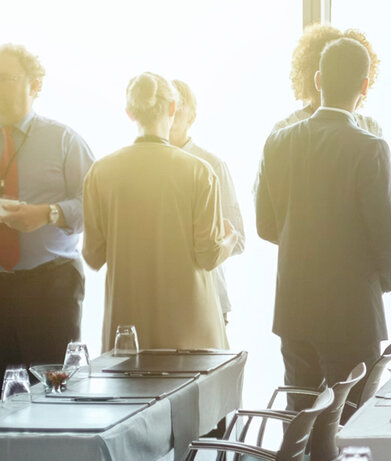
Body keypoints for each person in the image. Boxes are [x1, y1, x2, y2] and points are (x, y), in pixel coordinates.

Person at [256, 38, 391, 408]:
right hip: (353, 309)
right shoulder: (370, 147)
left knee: (300, 418)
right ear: (364, 86)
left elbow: (265, 225)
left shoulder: (278, 142)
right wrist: (387, 280)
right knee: (352, 418)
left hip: (295, 305)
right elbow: (385, 231)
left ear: (319, 80)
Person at [82, 72, 238, 350]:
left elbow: (93, 256)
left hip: (128, 328)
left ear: (130, 113)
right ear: (172, 108)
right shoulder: (200, 172)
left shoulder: (100, 172)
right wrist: (230, 239)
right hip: (190, 326)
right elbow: (209, 255)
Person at [0, 43, 95, 365]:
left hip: (51, 286)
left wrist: (49, 214)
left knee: (52, 384)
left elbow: (95, 207)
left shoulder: (64, 140)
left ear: (35, 85)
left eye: (6, 78)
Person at [170, 79, 246, 323]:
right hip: (158, 298)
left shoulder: (213, 166)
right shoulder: (142, 166)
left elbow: (238, 238)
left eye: (176, 108)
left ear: (191, 117)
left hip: (207, 299)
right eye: (164, 107)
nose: (169, 114)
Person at [274, 24, 383, 136]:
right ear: (317, 79)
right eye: (335, 76)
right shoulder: (284, 131)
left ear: (363, 85)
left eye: (351, 78)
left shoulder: (370, 128)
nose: (343, 88)